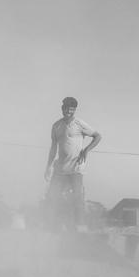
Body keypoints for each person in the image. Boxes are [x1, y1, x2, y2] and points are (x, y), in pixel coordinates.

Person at [43, 96, 101, 230]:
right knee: (52, 197)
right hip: (59, 170)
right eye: (66, 109)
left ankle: (80, 227)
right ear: (62, 108)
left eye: (71, 109)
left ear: (74, 110)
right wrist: (48, 166)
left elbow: (98, 136)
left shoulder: (79, 124)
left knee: (77, 198)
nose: (68, 112)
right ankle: (51, 226)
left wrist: (86, 150)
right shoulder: (56, 126)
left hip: (76, 169)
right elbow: (53, 148)